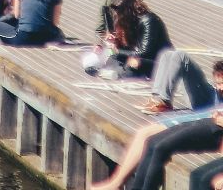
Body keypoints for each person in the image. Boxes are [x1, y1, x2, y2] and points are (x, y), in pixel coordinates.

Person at [88, 63, 223, 190]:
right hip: (212, 119)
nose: (219, 88)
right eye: (218, 84)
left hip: (215, 127)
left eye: (222, 83)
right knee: (151, 141)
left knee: (162, 148)